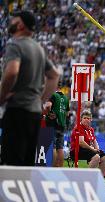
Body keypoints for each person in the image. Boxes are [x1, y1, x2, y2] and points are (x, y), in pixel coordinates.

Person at [0, 11, 60, 166]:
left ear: (20, 25)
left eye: (14, 20)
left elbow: (12, 71)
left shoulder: (15, 44)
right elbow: (54, 75)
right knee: (27, 163)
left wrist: (2, 96)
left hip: (17, 109)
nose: (11, 22)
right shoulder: (38, 48)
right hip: (34, 112)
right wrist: (40, 101)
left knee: (12, 161)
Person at [70, 109, 105, 176]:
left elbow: (94, 141)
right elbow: (81, 142)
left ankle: (100, 178)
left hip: (87, 149)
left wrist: (97, 149)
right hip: (77, 150)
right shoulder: (78, 127)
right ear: (81, 119)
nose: (86, 119)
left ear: (91, 120)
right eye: (84, 118)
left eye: (88, 118)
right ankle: (88, 177)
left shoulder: (91, 129)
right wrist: (93, 149)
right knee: (96, 157)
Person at [45, 82, 70, 167]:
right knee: (60, 148)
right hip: (62, 125)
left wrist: (49, 113)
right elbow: (67, 114)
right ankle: (60, 168)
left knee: (53, 147)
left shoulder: (53, 95)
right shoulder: (66, 98)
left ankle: (53, 167)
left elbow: (48, 105)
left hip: (53, 124)